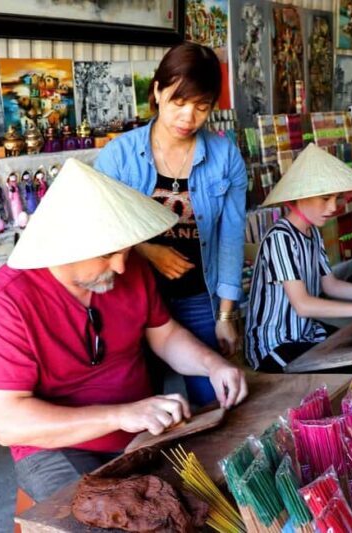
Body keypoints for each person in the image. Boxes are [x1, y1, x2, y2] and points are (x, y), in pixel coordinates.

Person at [0, 158, 247, 503]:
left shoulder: (131, 268)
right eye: (107, 255)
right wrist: (120, 414)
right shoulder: (9, 300)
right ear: (62, 249)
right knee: (103, 517)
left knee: (216, 495)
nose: (121, 266)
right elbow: (9, 423)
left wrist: (212, 365)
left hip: (142, 431)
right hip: (59, 445)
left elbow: (164, 335)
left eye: (125, 251)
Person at [95, 42, 247, 405]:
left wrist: (226, 313)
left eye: (201, 107)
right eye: (179, 102)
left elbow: (230, 237)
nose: (188, 117)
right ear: (158, 91)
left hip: (198, 295)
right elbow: (100, 227)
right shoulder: (119, 155)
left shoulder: (225, 156)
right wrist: (148, 252)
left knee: (213, 398)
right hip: (134, 298)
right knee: (141, 402)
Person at [245, 144, 352, 372]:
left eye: (336, 198)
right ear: (299, 196)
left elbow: (331, 285)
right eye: (325, 198)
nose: (333, 207)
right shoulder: (280, 237)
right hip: (275, 345)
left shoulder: (312, 232)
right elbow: (303, 305)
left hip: (305, 332)